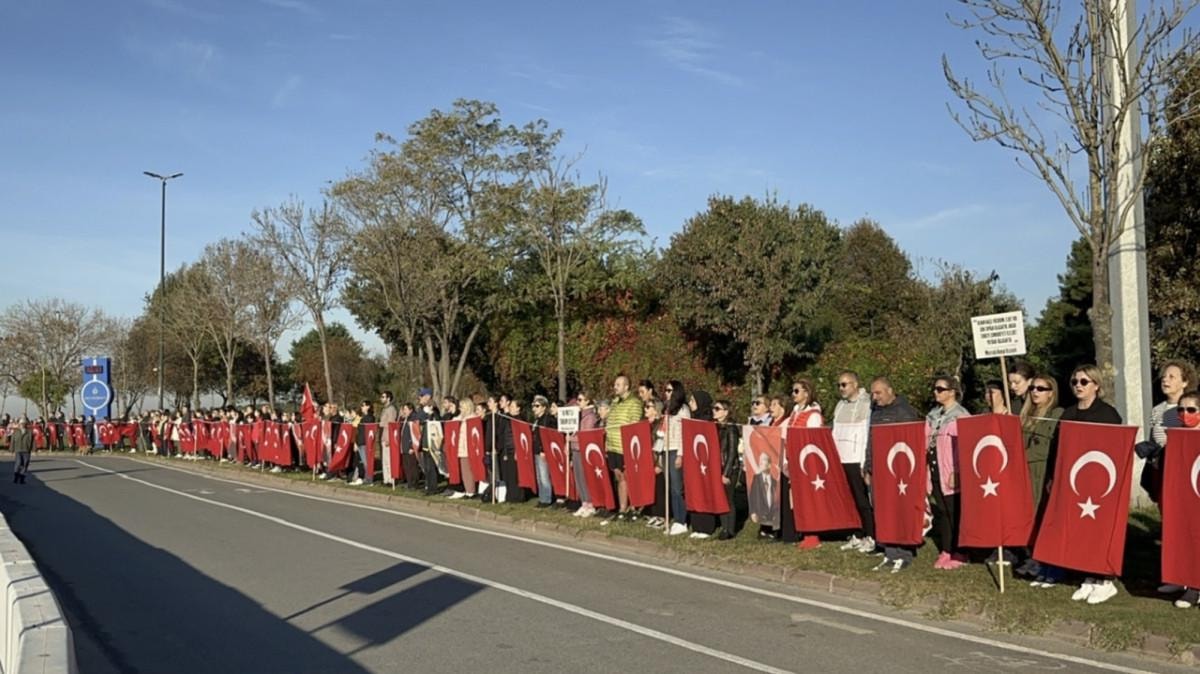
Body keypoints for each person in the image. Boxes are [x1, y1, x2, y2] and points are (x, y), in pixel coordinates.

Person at [1033, 365, 1123, 604]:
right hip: (1073, 481)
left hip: (1099, 482)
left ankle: (1104, 580)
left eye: (1084, 382)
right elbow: (1058, 449)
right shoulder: (1069, 413)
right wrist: (1053, 476)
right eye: (1075, 382)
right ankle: (1088, 576)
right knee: (1078, 528)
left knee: (1097, 530)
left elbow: (1115, 449)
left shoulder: (1107, 414)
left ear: (1096, 385)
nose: (1078, 386)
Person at [864, 376, 922, 573]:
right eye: (872, 393)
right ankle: (890, 552)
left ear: (890, 391)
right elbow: (871, 440)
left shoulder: (905, 412)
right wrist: (868, 466)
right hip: (879, 470)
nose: (875, 397)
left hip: (899, 471)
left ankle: (904, 552)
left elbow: (911, 442)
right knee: (884, 510)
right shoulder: (876, 412)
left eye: (878, 393)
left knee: (900, 510)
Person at [926, 376, 970, 570]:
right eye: (935, 389)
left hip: (951, 470)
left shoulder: (961, 416)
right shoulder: (933, 415)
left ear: (952, 392)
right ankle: (946, 549)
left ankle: (960, 550)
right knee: (942, 512)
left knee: (955, 512)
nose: (936, 392)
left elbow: (964, 447)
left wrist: (957, 471)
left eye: (940, 389)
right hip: (936, 468)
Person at [1164, 390, 1200, 608]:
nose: (1185, 414)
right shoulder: (1177, 437)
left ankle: (1195, 587)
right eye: (1181, 410)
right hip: (1183, 497)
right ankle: (1185, 580)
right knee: (1184, 537)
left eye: (1191, 409)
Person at [833, 371, 875, 554]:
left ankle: (871, 535)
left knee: (862, 499)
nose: (841, 388)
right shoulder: (840, 405)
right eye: (839, 385)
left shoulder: (866, 404)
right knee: (848, 500)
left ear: (855, 384)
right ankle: (856, 533)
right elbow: (835, 432)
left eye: (844, 384)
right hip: (841, 458)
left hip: (856, 459)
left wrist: (864, 462)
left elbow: (866, 434)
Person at [1144, 361, 1196, 506]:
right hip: (1160, 467)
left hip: (1183, 468)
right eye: (1164, 377)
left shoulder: (1192, 409)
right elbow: (1153, 438)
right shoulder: (1157, 410)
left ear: (1185, 382)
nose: (1165, 380)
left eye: (1171, 377)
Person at [788, 379, 823, 549]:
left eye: (796, 391)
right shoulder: (795, 412)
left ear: (806, 393)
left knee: (809, 497)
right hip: (794, 458)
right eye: (793, 391)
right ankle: (803, 531)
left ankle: (813, 535)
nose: (793, 394)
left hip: (807, 460)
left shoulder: (813, 415)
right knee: (797, 498)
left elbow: (813, 440)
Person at [605, 375, 643, 519]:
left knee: (628, 477)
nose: (615, 387)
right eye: (615, 384)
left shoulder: (634, 402)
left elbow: (634, 425)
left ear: (626, 387)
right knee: (619, 477)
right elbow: (609, 423)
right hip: (613, 446)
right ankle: (622, 508)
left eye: (618, 384)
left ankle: (633, 507)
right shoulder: (614, 402)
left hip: (625, 446)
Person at [663, 381, 690, 534]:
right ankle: (675, 519)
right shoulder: (667, 408)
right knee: (671, 488)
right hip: (666, 448)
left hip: (676, 450)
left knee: (677, 488)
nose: (666, 393)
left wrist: (680, 454)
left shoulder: (683, 409)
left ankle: (682, 520)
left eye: (669, 390)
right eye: (665, 390)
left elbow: (684, 434)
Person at [571, 391, 597, 517]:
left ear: (588, 401)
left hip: (583, 449)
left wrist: (572, 438)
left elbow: (585, 435)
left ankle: (590, 503)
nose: (578, 402)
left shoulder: (590, 417)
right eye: (578, 399)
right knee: (578, 477)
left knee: (584, 477)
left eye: (581, 400)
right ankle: (584, 502)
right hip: (576, 448)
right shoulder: (579, 415)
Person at [530, 395, 557, 508]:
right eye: (533, 406)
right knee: (539, 476)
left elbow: (546, 436)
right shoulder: (537, 420)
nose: (534, 408)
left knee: (544, 475)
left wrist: (543, 449)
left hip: (543, 451)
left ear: (544, 407)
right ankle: (542, 497)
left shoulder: (547, 419)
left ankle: (547, 499)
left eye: (537, 406)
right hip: (536, 450)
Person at [349, 401, 374, 486]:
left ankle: (369, 479)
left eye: (363, 405)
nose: (362, 407)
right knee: (362, 461)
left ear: (368, 407)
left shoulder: (370, 418)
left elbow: (366, 432)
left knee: (366, 462)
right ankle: (365, 478)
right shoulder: (363, 418)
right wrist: (356, 442)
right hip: (360, 441)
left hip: (364, 442)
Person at [378, 390, 399, 486]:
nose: (381, 399)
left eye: (383, 397)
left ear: (388, 398)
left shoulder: (391, 409)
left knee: (389, 459)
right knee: (384, 460)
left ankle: (391, 479)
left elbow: (391, 424)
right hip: (383, 435)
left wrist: (388, 438)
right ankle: (385, 479)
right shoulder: (384, 409)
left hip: (388, 436)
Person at [11, 417, 33, 484]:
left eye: (24, 423)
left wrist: (34, 449)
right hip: (18, 449)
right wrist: (11, 448)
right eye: (21, 423)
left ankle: (22, 479)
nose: (22, 425)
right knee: (18, 463)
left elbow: (33, 441)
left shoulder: (29, 432)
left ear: (26, 424)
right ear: (19, 424)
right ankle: (16, 477)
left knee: (25, 464)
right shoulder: (16, 432)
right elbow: (12, 441)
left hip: (26, 450)